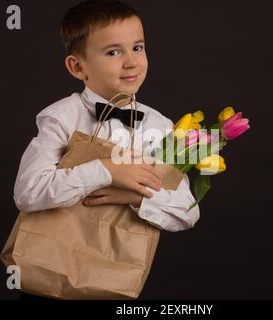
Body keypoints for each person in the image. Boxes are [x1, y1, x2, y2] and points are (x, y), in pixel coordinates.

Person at [14, 0, 200, 300]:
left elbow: (188, 212)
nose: (131, 62)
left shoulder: (161, 126)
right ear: (78, 66)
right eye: (113, 52)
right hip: (47, 277)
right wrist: (106, 171)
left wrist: (138, 196)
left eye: (137, 47)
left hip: (114, 282)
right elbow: (27, 193)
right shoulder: (62, 117)